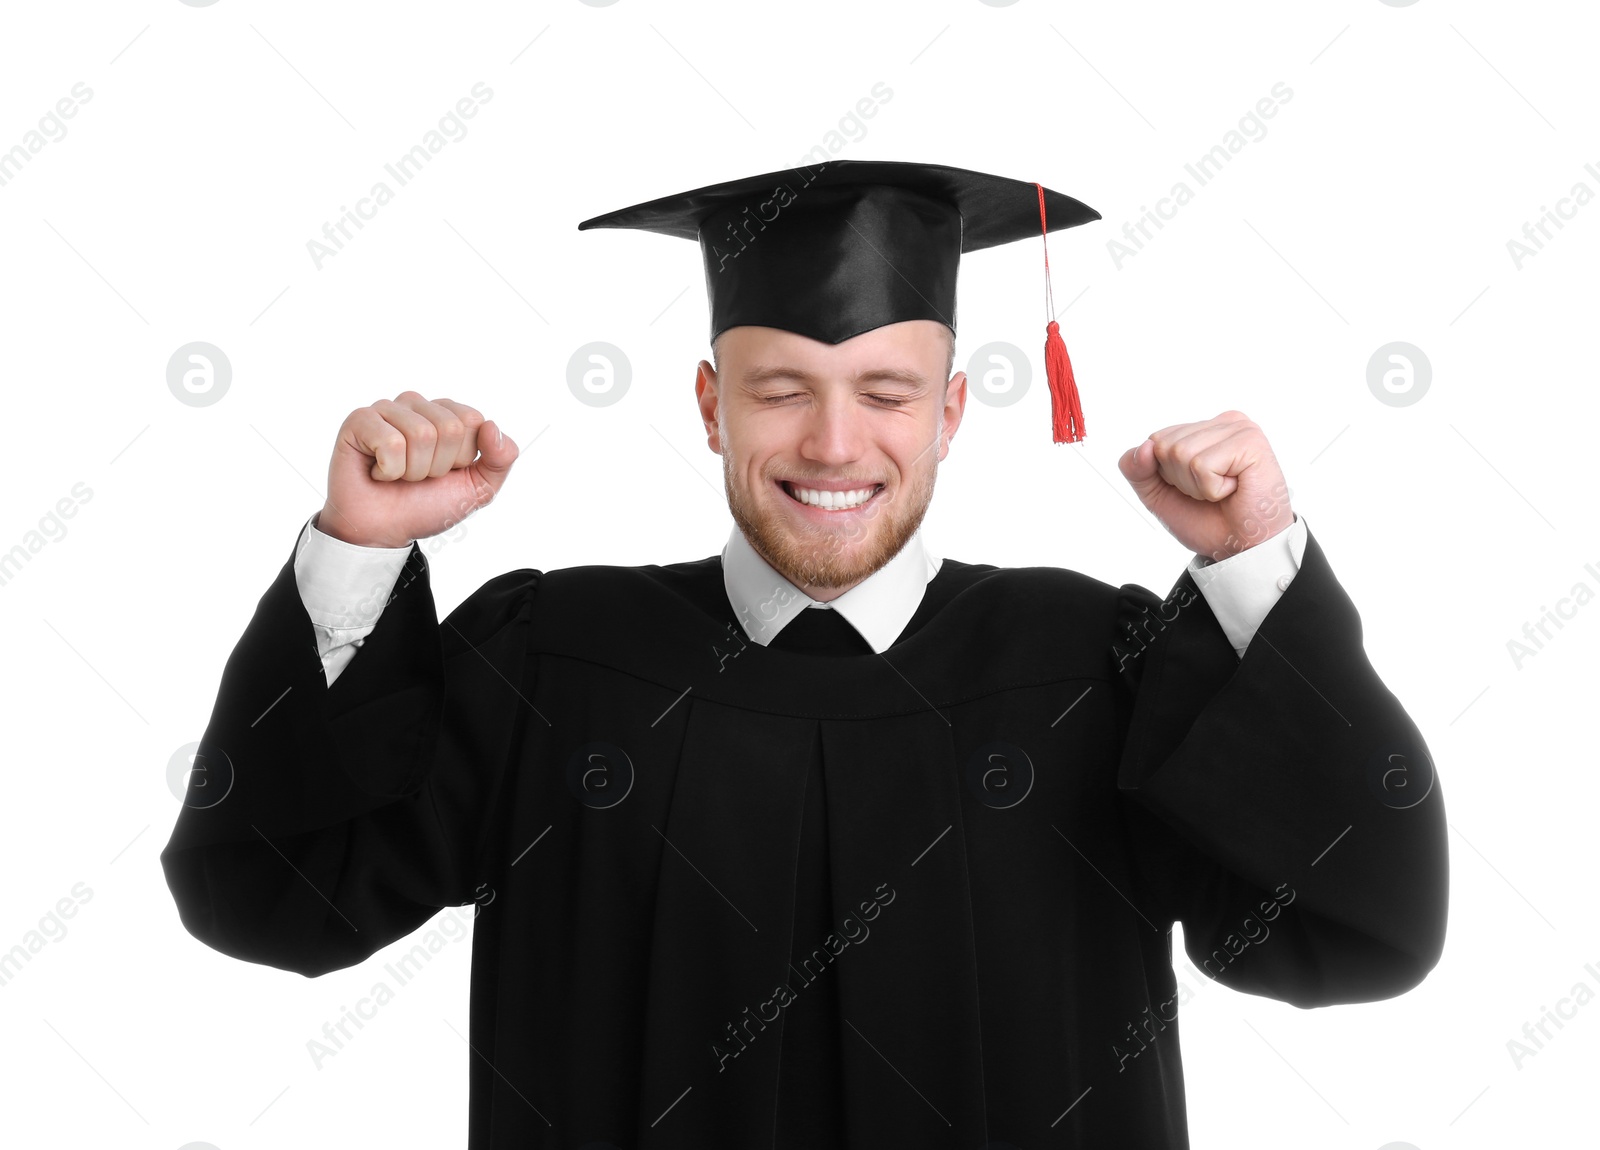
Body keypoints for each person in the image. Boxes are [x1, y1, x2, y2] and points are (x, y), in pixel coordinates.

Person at [161, 160, 1447, 1148]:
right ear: (710, 403)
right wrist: (358, 551)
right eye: (780, 388)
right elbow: (273, 900)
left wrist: (1255, 567)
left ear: (950, 412)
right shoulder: (552, 661)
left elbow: (1356, 928)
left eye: (887, 392)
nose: (835, 443)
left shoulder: (1092, 669)